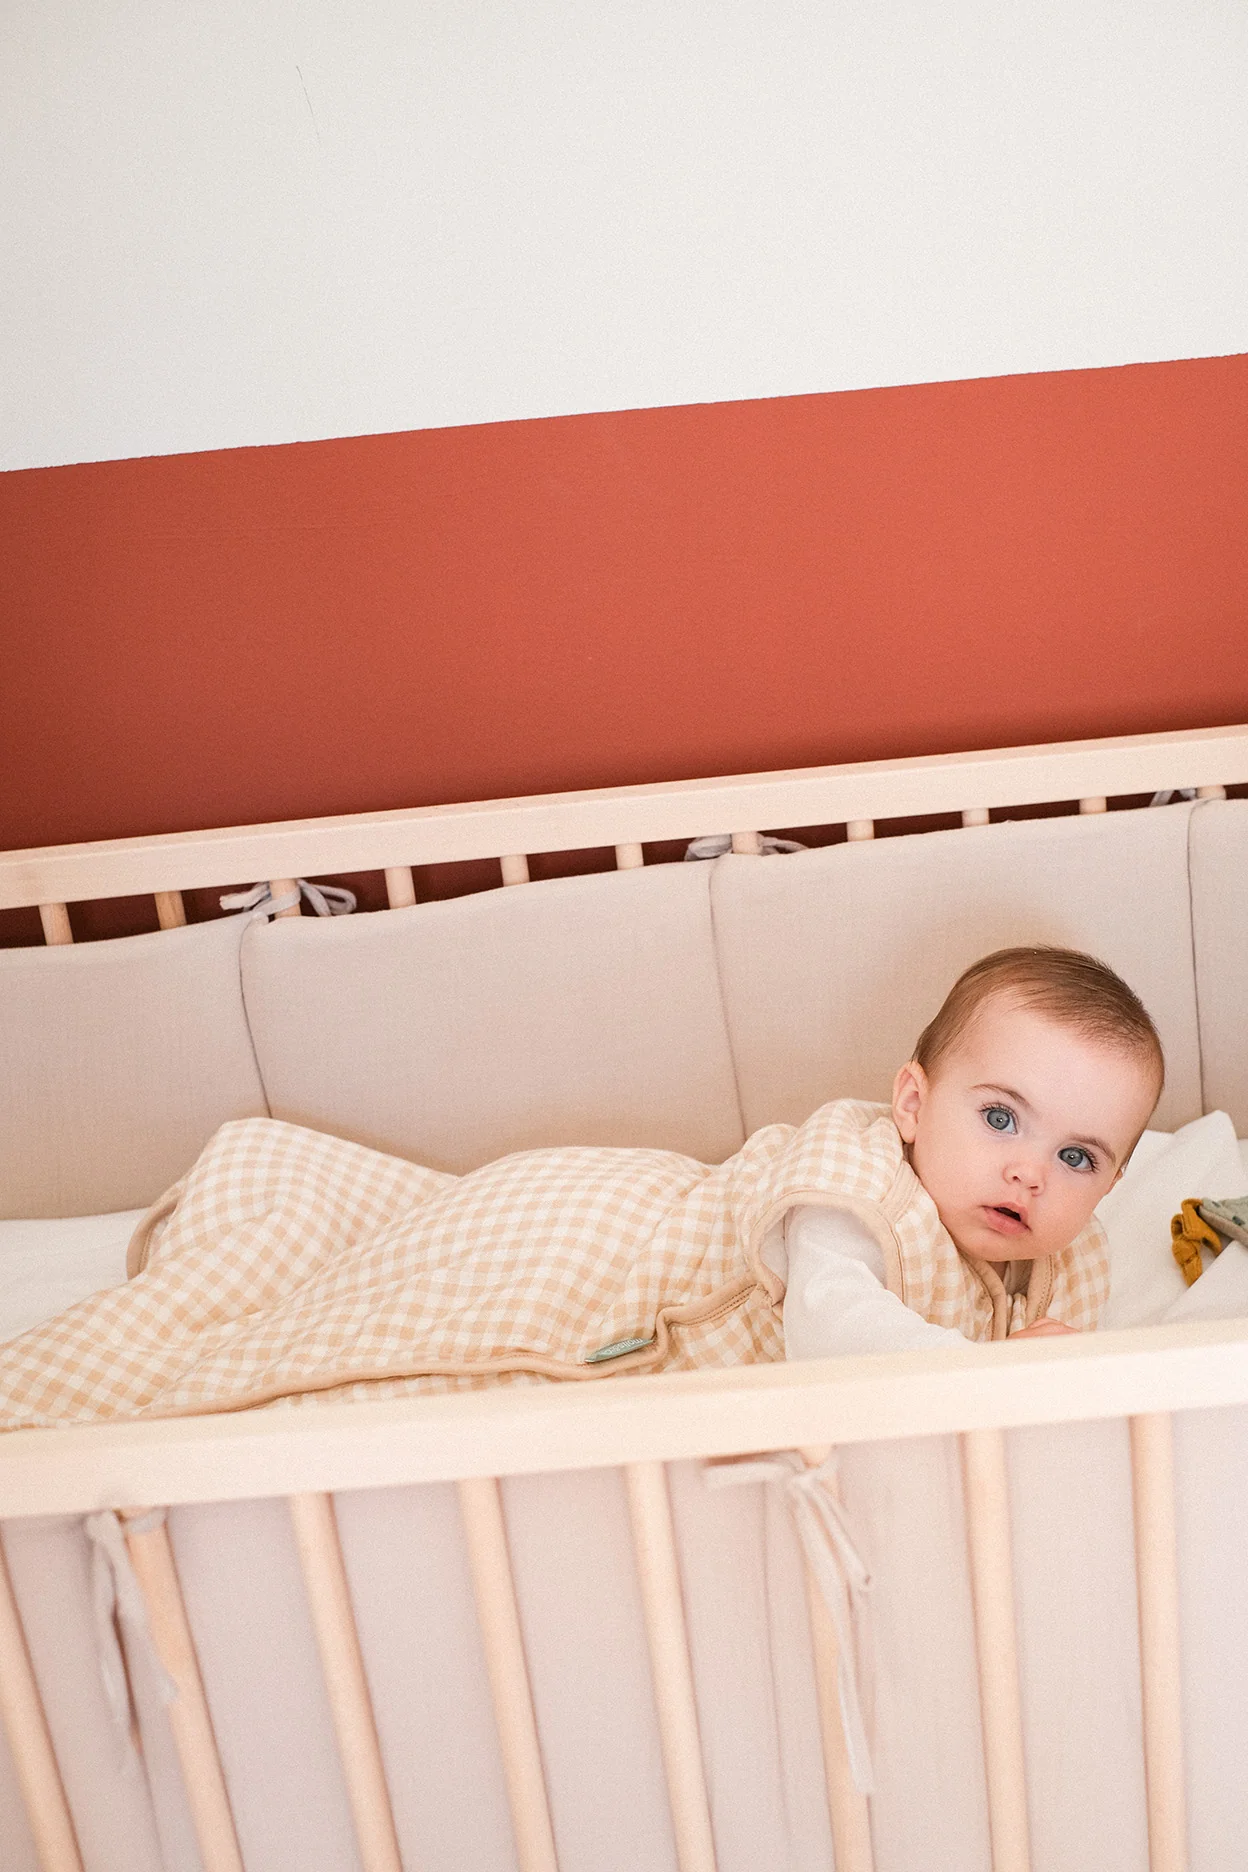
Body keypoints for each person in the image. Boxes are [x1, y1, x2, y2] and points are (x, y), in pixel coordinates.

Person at [775, 947, 1164, 1357]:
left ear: (1109, 1186)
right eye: (1000, 1119)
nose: (1030, 1173)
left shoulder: (1070, 1268)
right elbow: (828, 1340)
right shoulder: (856, 1193)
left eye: (1075, 1157)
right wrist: (987, 1368)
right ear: (913, 1105)